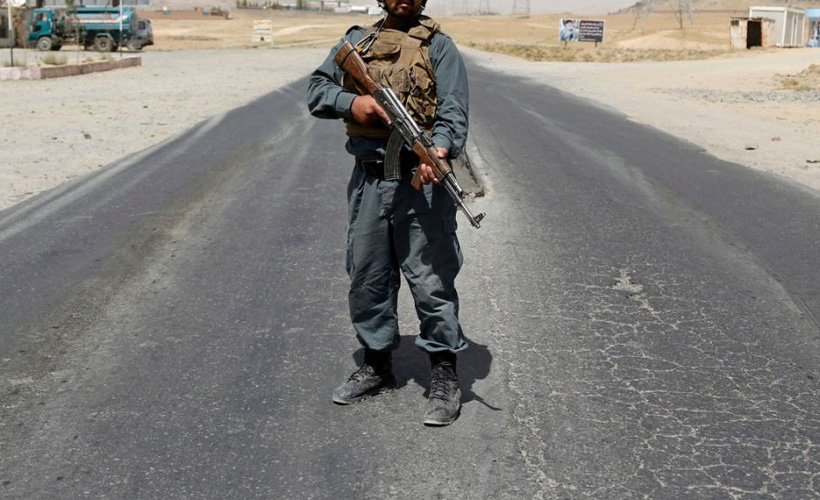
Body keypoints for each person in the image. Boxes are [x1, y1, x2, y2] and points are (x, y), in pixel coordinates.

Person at [306, 0, 470, 426]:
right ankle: (377, 365)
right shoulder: (357, 41)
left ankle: (444, 374)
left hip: (421, 183)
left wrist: (440, 148)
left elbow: (453, 111)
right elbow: (317, 89)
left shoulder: (439, 47)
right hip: (368, 180)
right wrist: (353, 104)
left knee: (432, 280)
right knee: (368, 275)